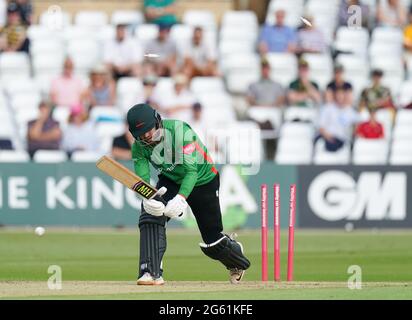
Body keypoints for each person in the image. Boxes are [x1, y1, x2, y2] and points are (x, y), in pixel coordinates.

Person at [126, 103, 250, 285]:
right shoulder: (139, 147)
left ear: (157, 121)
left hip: (203, 179)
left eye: (149, 130)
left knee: (213, 242)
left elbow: (191, 171)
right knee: (150, 216)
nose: (147, 137)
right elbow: (143, 180)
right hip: (170, 179)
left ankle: (236, 258)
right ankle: (150, 272)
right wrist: (147, 197)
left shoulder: (180, 131)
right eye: (141, 134)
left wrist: (180, 198)